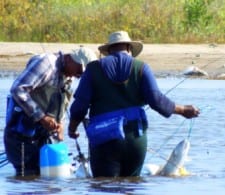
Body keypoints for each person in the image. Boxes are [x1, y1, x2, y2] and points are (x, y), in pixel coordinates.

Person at [68, 31, 200, 177]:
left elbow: (80, 107)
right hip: (135, 140)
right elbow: (157, 101)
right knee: (131, 186)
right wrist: (183, 110)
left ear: (109, 50)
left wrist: (72, 128)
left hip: (103, 139)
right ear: (129, 49)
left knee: (103, 186)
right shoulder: (142, 68)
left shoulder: (93, 69)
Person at [4, 46, 97, 176]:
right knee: (27, 176)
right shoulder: (46, 63)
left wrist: (60, 126)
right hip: (20, 136)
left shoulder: (68, 77)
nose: (79, 75)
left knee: (45, 180)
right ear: (70, 59)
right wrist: (42, 118)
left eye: (83, 74)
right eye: (80, 70)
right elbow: (18, 89)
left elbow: (61, 106)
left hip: (42, 138)